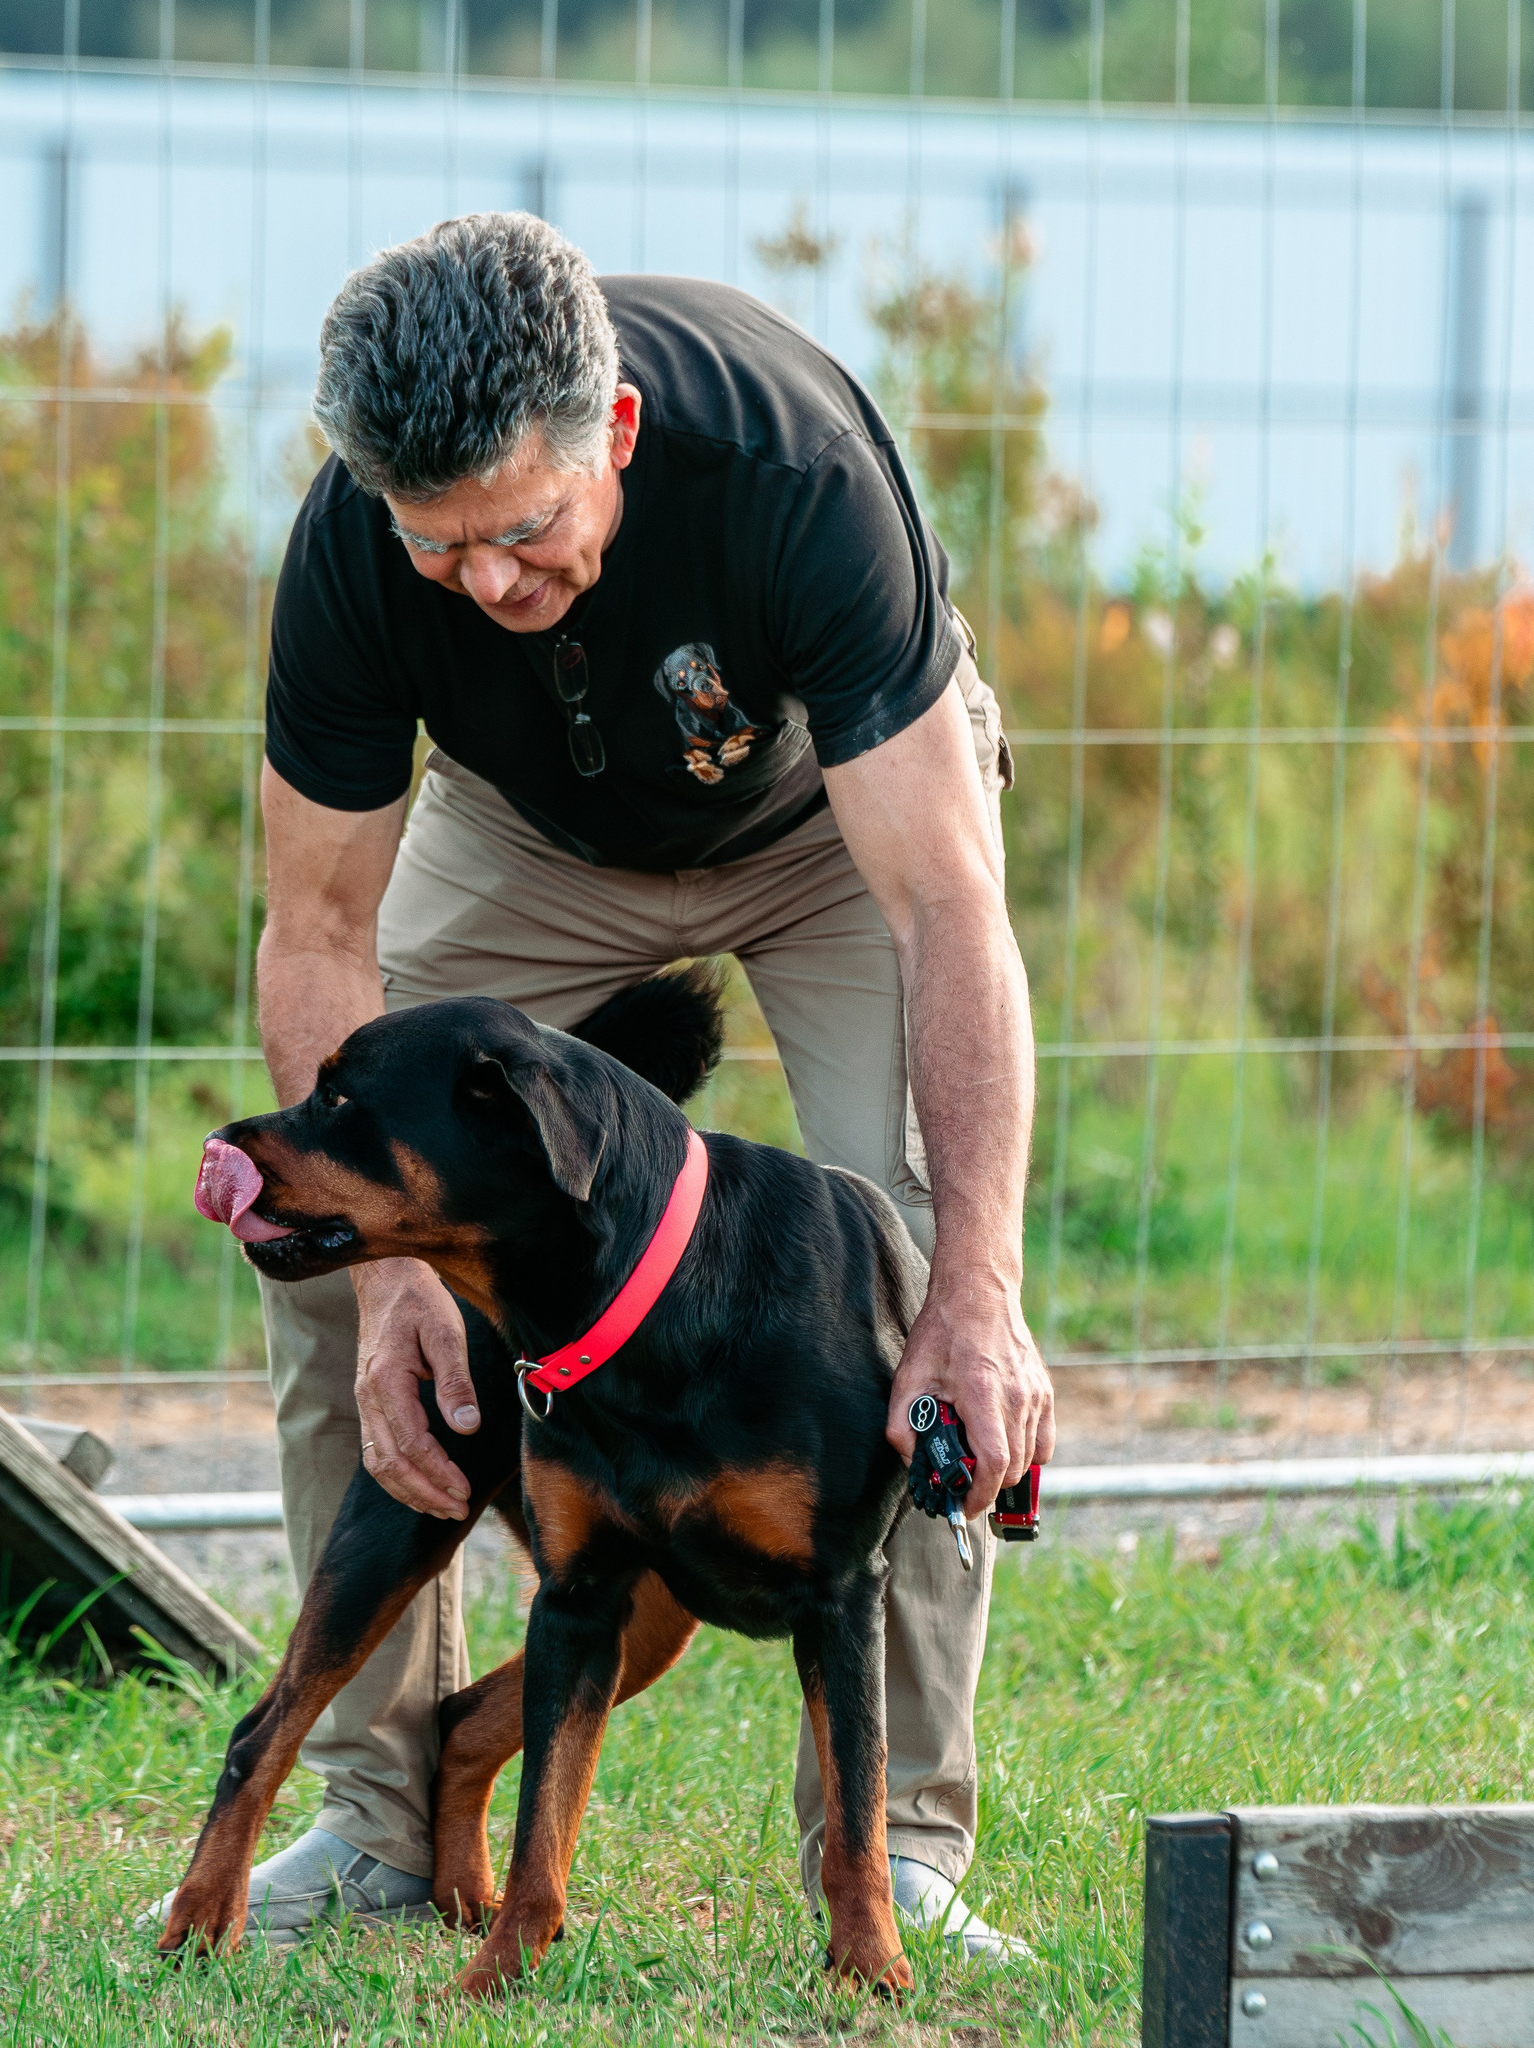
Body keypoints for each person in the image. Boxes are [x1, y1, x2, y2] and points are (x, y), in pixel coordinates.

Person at [176, 211, 1055, 1958]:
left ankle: (906, 1858)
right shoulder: (359, 552)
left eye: (527, 531)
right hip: (532, 833)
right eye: (447, 554)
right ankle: (372, 1821)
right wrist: (405, 1283)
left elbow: (950, 904)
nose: (491, 585)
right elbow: (317, 927)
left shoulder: (791, 474)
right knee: (320, 1238)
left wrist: (984, 1284)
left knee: (919, 1285)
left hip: (833, 825)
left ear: (622, 439)